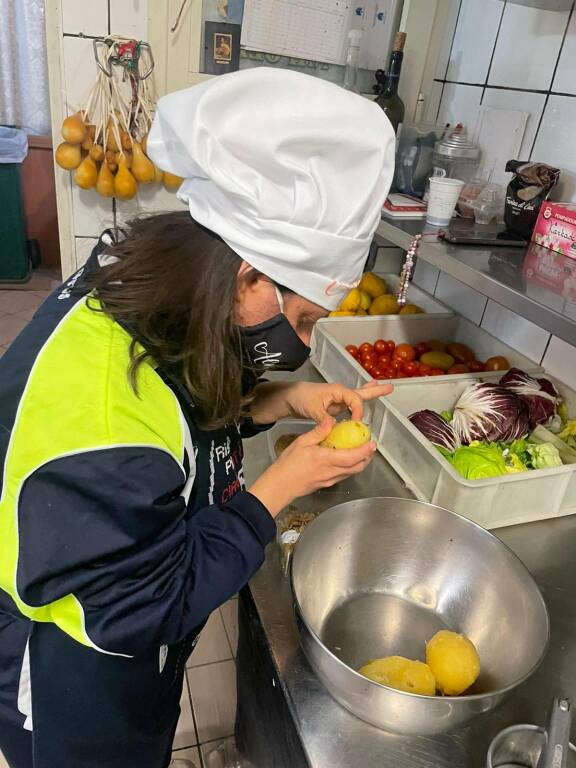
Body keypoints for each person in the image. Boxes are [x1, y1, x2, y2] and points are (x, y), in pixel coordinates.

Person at [0, 67, 395, 767]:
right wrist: (284, 483)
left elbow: (176, 408)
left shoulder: (146, 289)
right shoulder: (99, 413)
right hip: (74, 669)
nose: (299, 347)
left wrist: (276, 402)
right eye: (301, 318)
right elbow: (143, 604)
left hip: (119, 645)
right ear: (247, 276)